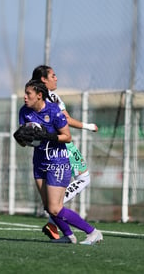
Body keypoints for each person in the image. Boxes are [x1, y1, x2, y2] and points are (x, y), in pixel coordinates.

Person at [13, 79, 102, 244]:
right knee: (48, 207)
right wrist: (20, 138)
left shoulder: (54, 111)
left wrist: (48, 136)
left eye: (28, 94)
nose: (25, 97)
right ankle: (69, 236)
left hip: (58, 160)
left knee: (55, 207)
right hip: (39, 160)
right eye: (25, 93)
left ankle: (93, 232)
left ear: (39, 95)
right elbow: (25, 141)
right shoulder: (24, 111)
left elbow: (67, 137)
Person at [31, 65, 98, 240]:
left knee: (50, 202)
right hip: (62, 147)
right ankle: (55, 217)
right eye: (53, 75)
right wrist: (88, 126)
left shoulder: (32, 96)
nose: (56, 78)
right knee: (84, 178)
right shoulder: (51, 97)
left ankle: (58, 224)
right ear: (44, 80)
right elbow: (66, 119)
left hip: (46, 149)